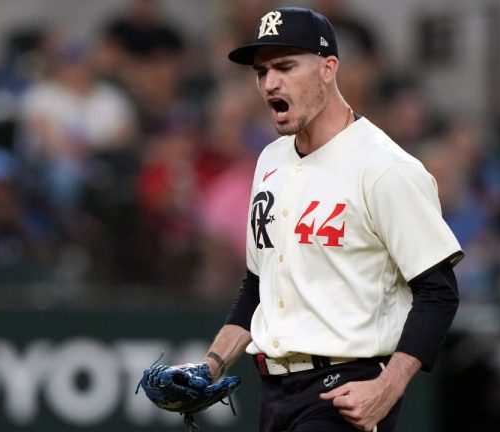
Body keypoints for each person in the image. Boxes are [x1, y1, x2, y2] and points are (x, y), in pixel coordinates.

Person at [189, 7, 463, 431]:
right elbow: (259, 284)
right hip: (276, 393)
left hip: (346, 390)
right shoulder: (270, 161)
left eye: (285, 66)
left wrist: (388, 387)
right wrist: (208, 367)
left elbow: (438, 291)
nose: (270, 83)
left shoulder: (383, 166)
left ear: (327, 69)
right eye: (262, 72)